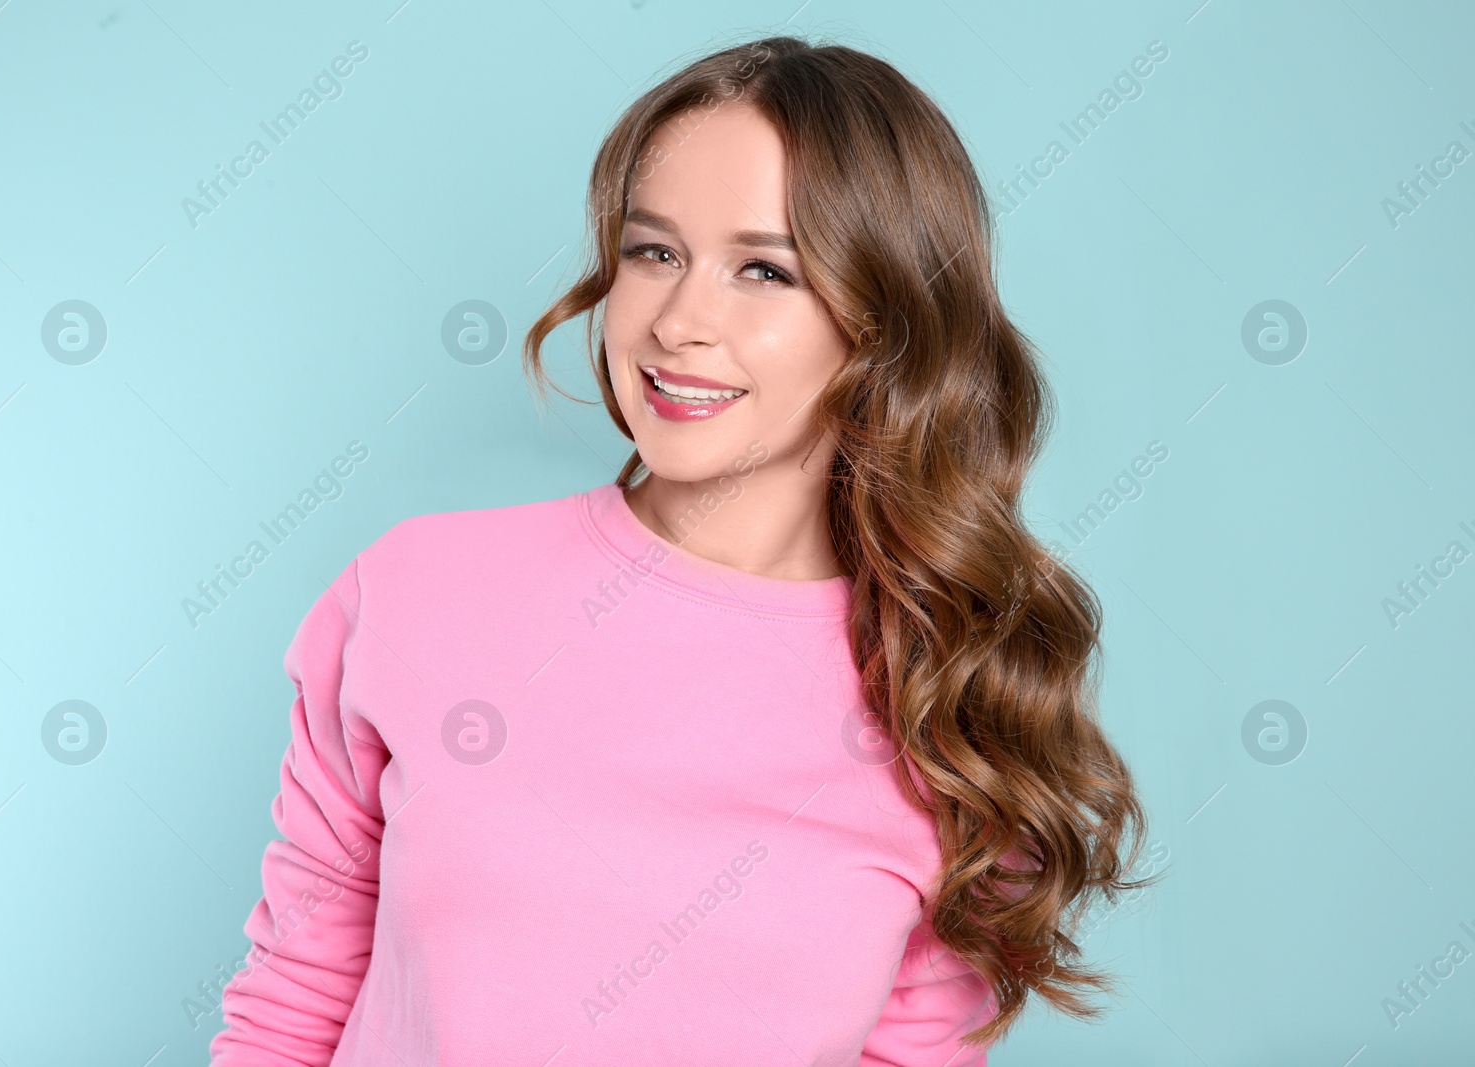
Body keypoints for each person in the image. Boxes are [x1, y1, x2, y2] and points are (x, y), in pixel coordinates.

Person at [208, 32, 1153, 1066]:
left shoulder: (949, 702)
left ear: (885, 324)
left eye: (763, 269)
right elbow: (291, 1003)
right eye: (654, 251)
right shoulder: (415, 590)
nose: (678, 321)